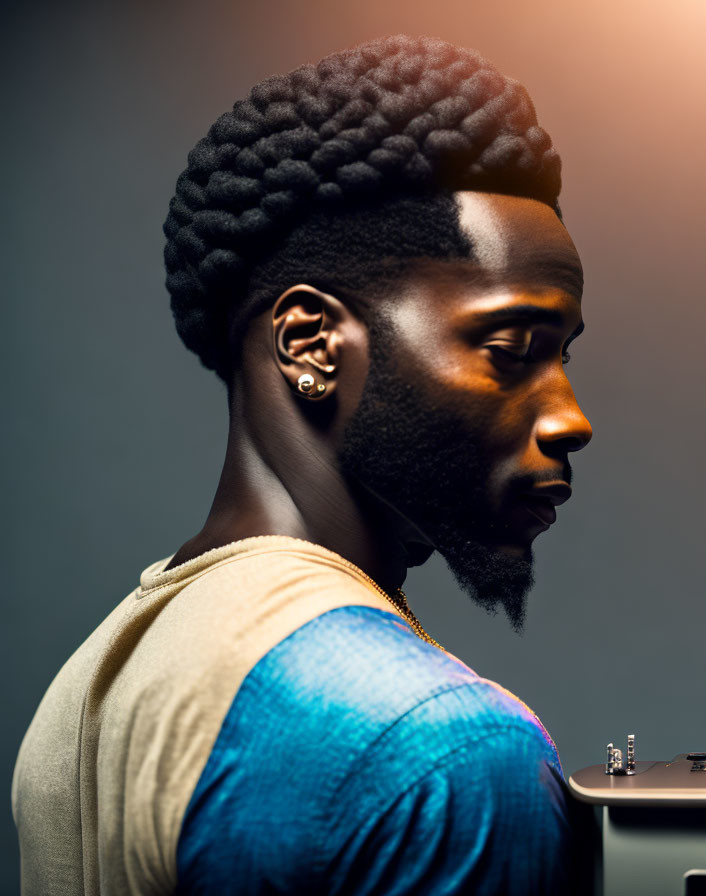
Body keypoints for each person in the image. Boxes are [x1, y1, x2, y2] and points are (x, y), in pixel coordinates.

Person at [12, 35, 592, 895]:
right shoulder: (443, 753)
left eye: (565, 357)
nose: (572, 419)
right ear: (310, 344)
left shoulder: (93, 685)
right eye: (512, 349)